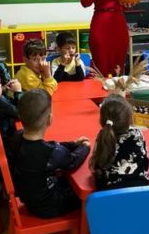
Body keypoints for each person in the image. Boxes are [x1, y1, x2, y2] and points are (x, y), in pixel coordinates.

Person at [9, 89, 90, 218]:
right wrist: (85, 147)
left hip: (29, 199)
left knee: (64, 178)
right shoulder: (51, 152)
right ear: (49, 119)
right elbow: (74, 160)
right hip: (49, 207)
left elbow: (54, 146)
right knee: (88, 194)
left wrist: (73, 144)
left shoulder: (17, 137)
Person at [89, 94, 149, 190]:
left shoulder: (102, 136)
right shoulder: (137, 134)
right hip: (139, 194)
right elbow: (145, 162)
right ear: (129, 118)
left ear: (102, 120)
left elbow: (96, 166)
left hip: (106, 196)